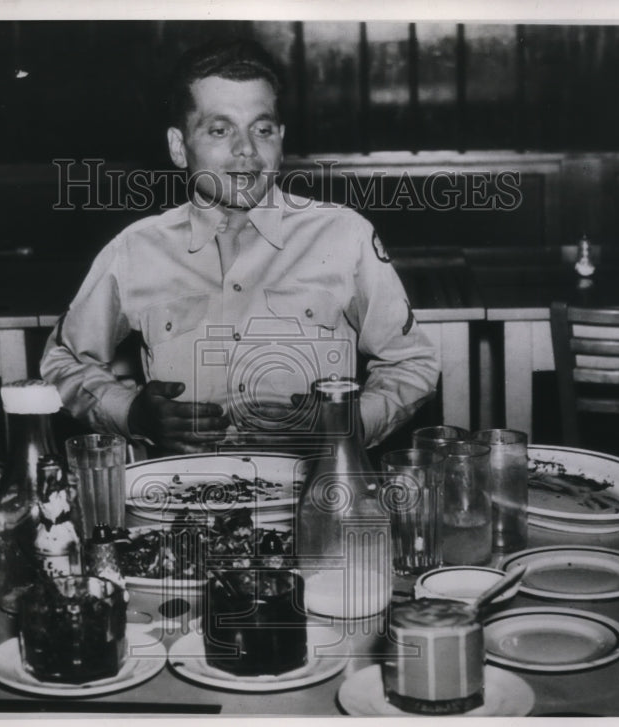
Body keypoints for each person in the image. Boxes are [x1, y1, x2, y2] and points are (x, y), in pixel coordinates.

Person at [41, 38, 439, 454]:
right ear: (180, 147)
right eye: (220, 129)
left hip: (310, 498)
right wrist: (130, 413)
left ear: (280, 140)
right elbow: (62, 362)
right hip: (181, 502)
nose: (246, 148)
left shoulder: (344, 236)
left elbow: (413, 363)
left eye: (262, 129)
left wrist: (350, 421)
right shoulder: (135, 250)